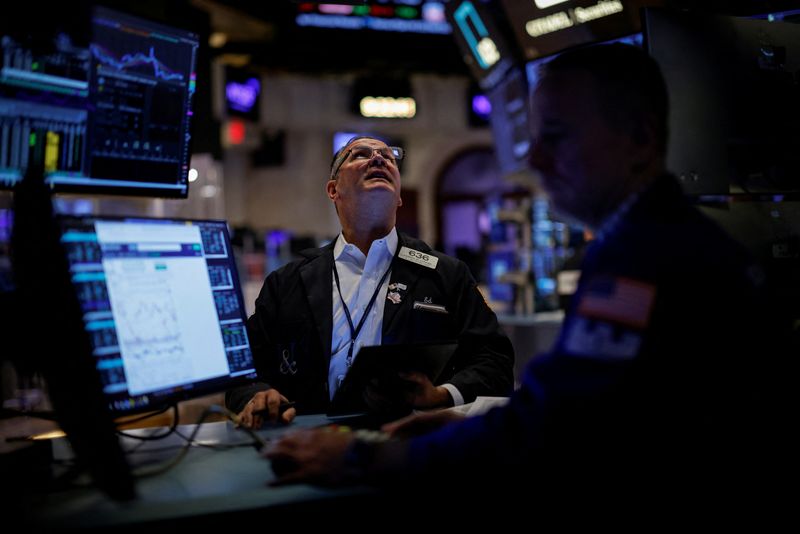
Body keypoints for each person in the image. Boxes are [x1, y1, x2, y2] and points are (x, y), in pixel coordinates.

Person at [263, 44, 790, 500]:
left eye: (556, 136)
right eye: (534, 137)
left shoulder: (643, 259)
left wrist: (363, 459)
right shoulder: (661, 240)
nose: (534, 159)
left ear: (640, 137)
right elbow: (578, 414)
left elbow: (552, 430)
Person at [228, 135, 515, 427]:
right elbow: (242, 369)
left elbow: (495, 362)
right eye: (360, 155)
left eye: (388, 157)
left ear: (399, 195)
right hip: (308, 443)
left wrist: (441, 395)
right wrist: (258, 395)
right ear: (333, 189)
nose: (379, 158)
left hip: (408, 447)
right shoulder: (287, 282)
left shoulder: (445, 274)